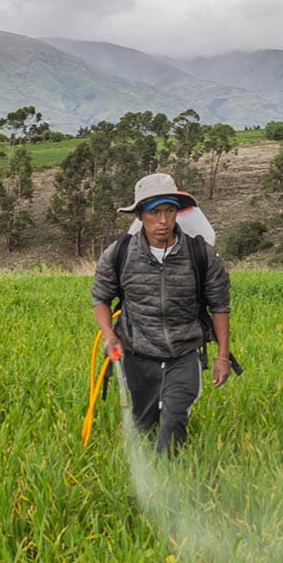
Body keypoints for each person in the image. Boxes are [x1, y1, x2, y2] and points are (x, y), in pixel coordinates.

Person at [91, 173, 232, 456]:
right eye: (154, 213)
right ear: (140, 216)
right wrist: (109, 334)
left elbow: (220, 306)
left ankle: (168, 471)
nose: (163, 221)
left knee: (174, 415)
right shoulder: (119, 254)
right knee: (144, 425)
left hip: (184, 351)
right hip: (138, 352)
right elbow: (101, 298)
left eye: (169, 211)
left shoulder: (201, 254)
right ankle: (149, 458)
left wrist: (222, 356)